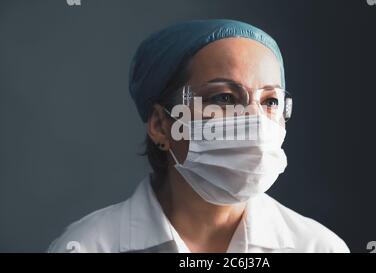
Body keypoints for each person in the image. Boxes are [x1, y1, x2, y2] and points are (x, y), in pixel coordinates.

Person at [48, 19, 349, 253]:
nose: (255, 119)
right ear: (161, 125)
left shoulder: (318, 246)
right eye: (224, 98)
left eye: (270, 101)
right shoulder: (89, 245)